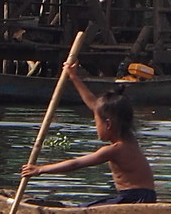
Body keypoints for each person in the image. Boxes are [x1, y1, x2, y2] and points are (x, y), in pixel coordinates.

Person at [23, 64, 157, 204]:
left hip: (134, 200)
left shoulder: (114, 150)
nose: (95, 127)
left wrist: (40, 169)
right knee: (90, 206)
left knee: (83, 209)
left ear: (108, 124)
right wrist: (74, 77)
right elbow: (95, 106)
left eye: (96, 123)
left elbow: (75, 164)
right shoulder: (130, 139)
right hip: (144, 197)